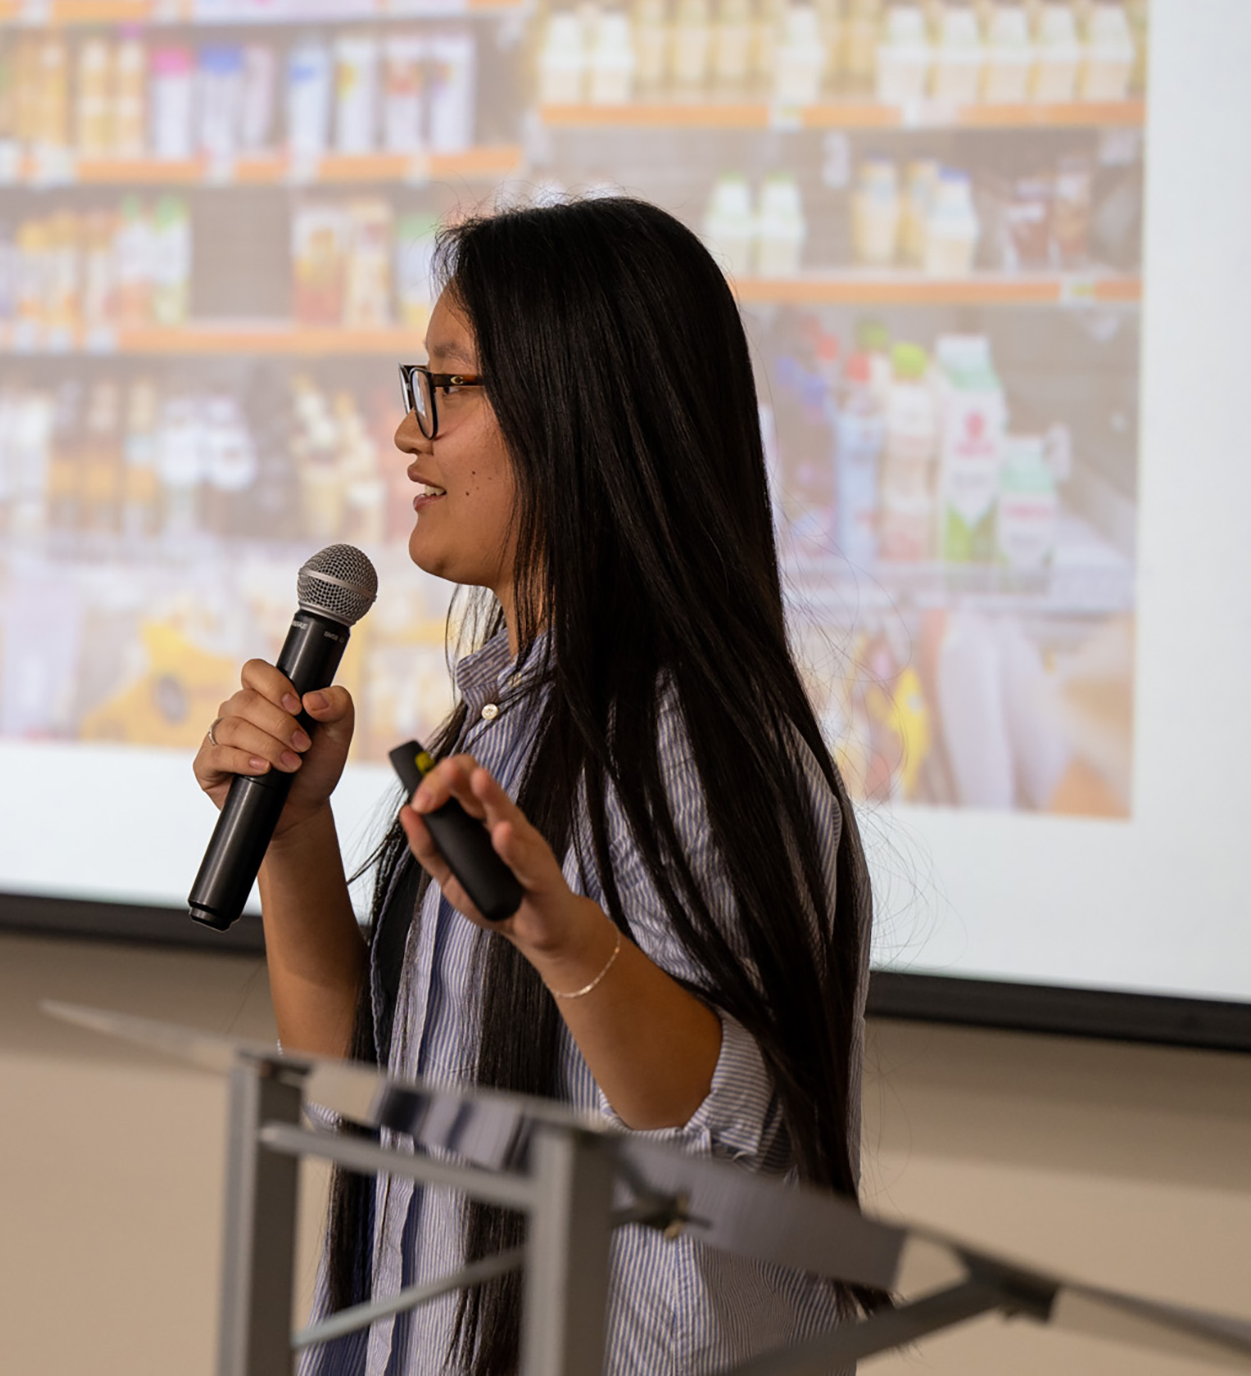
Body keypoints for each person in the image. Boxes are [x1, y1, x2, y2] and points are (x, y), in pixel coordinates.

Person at [191, 197, 873, 1376]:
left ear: (578, 414)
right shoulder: (505, 723)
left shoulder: (696, 747)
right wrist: (297, 836)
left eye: (446, 386)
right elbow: (364, 1096)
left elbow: (723, 1124)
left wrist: (568, 943)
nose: (412, 435)